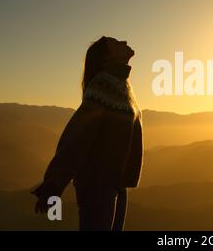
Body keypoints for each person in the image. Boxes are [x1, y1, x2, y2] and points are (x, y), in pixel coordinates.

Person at [32, 36, 144, 231]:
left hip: (114, 184)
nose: (124, 41)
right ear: (107, 58)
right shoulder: (103, 88)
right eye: (115, 42)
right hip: (97, 186)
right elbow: (76, 136)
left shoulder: (121, 86)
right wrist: (53, 184)